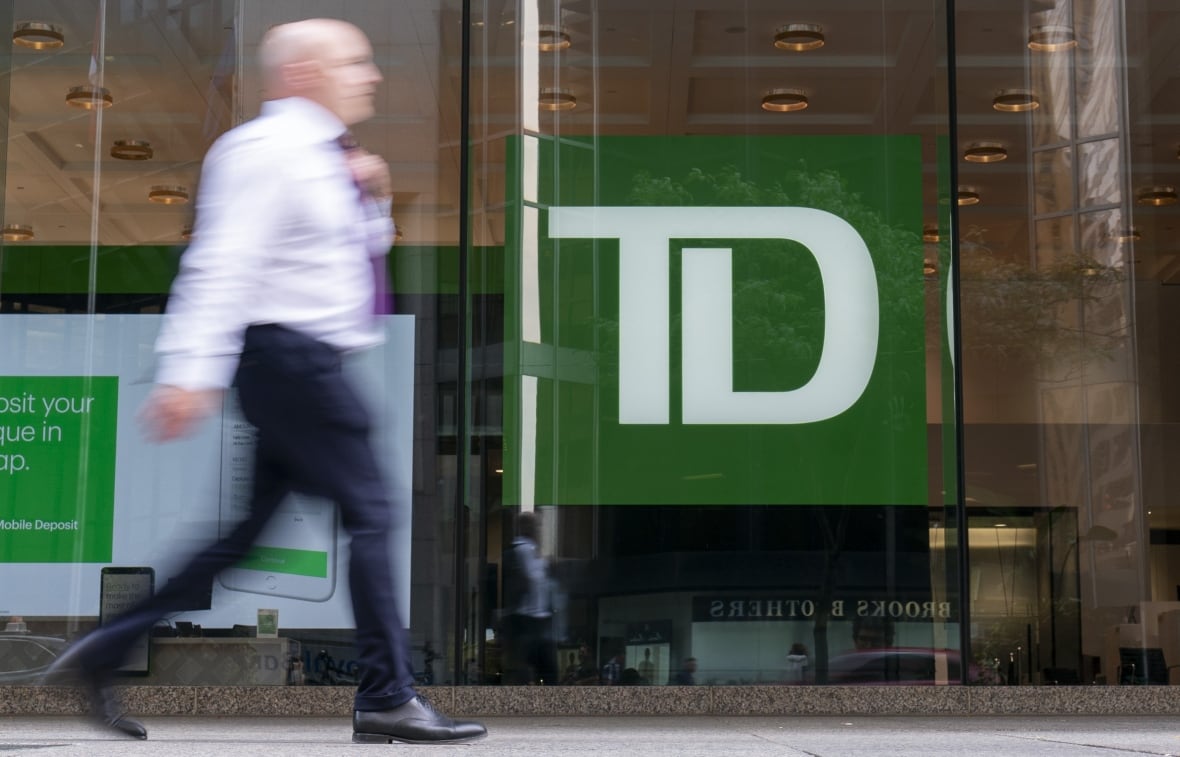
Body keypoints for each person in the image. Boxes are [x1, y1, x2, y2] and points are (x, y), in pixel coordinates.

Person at [43, 18, 485, 745]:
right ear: (305, 73)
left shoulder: (324, 158)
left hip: (304, 364)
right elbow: (222, 262)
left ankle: (103, 649)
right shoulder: (262, 151)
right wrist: (189, 371)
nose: (370, 76)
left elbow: (344, 266)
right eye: (355, 62)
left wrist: (370, 198)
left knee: (243, 538)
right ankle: (386, 695)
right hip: (291, 361)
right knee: (373, 514)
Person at [500, 511, 557, 684]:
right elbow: (515, 587)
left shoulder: (536, 553)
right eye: (535, 526)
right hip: (523, 621)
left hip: (540, 621)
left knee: (549, 671)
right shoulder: (517, 552)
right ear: (526, 528)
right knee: (524, 670)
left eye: (538, 525)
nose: (538, 529)